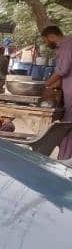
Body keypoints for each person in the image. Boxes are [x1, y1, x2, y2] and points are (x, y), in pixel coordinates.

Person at [41, 25, 72, 159]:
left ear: (51, 36)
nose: (45, 44)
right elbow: (63, 77)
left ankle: (63, 159)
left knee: (67, 126)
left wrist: (45, 84)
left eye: (45, 40)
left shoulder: (66, 46)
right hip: (67, 90)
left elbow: (62, 70)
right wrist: (49, 88)